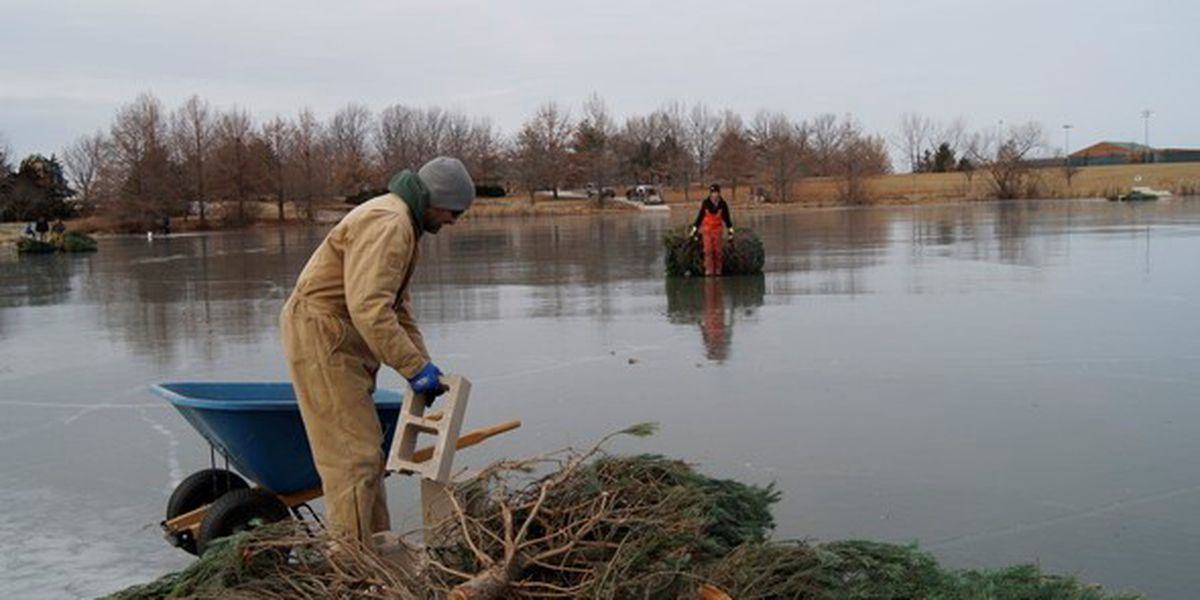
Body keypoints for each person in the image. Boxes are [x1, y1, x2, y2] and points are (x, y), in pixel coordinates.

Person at [280, 156, 474, 549]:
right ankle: (351, 567)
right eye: (454, 212)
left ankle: (377, 551)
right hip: (323, 336)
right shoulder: (391, 223)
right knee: (354, 460)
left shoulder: (403, 221)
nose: (454, 221)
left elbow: (397, 307)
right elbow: (369, 307)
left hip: (340, 337)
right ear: (436, 200)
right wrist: (412, 368)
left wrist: (424, 365)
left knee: (369, 456)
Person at [690, 184, 734, 276]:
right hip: (707, 231)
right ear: (710, 194)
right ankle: (709, 271)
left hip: (717, 231)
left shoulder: (723, 204)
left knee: (718, 251)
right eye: (713, 193)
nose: (715, 195)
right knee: (708, 251)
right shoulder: (705, 203)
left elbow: (727, 218)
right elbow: (700, 216)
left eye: (716, 193)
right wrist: (694, 229)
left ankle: (718, 271)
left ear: (719, 193)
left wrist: (730, 230)